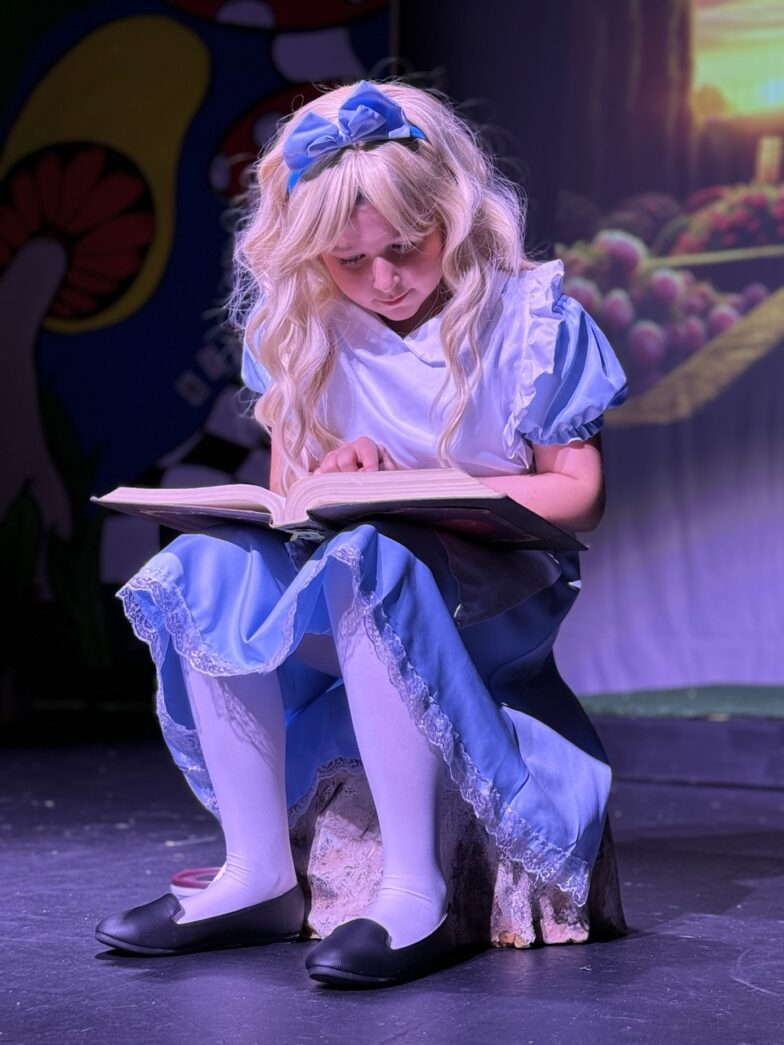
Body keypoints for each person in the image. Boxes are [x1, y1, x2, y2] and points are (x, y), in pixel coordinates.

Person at [95, 80, 628, 986]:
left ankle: (414, 893)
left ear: (449, 220)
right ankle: (256, 870)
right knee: (206, 566)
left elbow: (578, 497)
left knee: (369, 556)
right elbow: (289, 500)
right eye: (351, 260)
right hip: (343, 579)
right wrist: (331, 475)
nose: (383, 279)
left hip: (492, 589)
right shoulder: (304, 327)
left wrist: (446, 485)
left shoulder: (526, 320)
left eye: (406, 249)